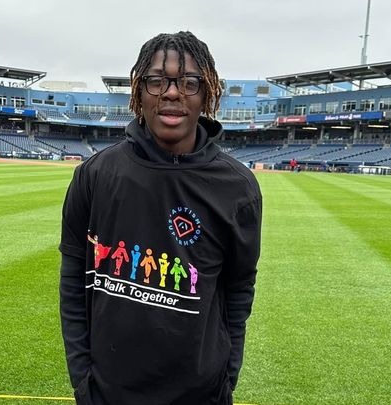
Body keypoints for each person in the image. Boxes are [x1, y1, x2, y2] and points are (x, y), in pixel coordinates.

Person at [59, 31, 262, 405]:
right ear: (139, 92)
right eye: (157, 81)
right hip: (108, 395)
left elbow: (238, 292)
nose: (172, 93)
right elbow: (73, 283)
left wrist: (225, 379)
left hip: (202, 396)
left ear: (207, 94)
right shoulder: (95, 175)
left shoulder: (237, 188)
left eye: (189, 82)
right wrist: (83, 382)